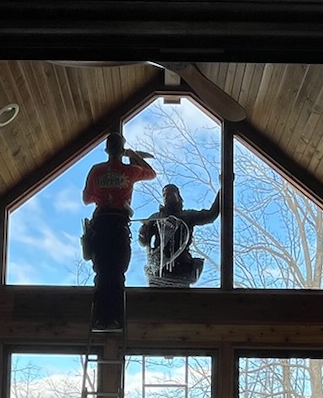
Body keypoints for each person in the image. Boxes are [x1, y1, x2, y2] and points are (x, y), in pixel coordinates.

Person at [80, 131, 156, 331]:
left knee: (102, 272)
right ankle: (113, 319)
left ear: (106, 150)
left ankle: (101, 318)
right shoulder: (129, 171)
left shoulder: (97, 170)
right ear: (121, 150)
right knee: (117, 272)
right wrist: (134, 157)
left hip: (101, 225)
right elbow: (151, 173)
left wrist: (103, 194)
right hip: (118, 226)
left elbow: (87, 199)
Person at [137, 183, 221, 288]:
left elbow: (210, 216)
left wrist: (222, 190)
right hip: (159, 269)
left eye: (171, 193)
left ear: (178, 196)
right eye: (164, 194)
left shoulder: (187, 216)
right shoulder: (156, 217)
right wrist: (143, 230)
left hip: (181, 268)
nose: (167, 196)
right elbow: (144, 242)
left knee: (180, 301)